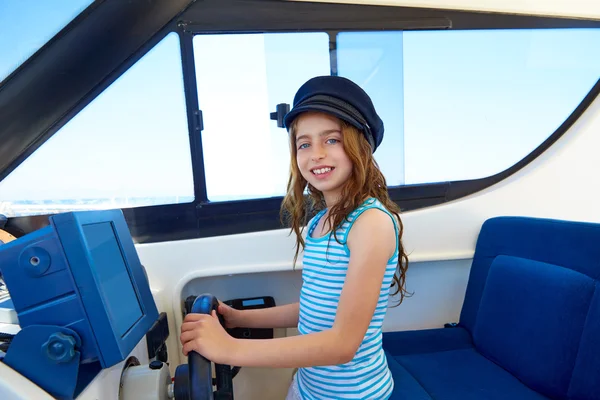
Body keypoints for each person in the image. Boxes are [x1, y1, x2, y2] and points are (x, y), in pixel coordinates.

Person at [180, 75, 410, 399]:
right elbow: (315, 308)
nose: (315, 154)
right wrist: (239, 318)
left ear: (362, 146)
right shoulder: (319, 222)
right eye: (304, 143)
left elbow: (342, 345)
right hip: (307, 387)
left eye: (331, 140)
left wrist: (230, 349)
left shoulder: (371, 223)